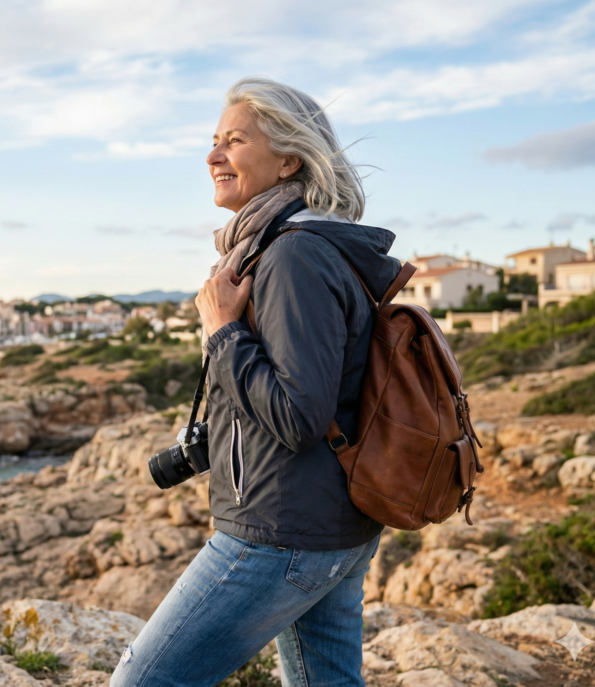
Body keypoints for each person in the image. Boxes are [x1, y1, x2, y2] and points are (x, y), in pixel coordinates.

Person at [110, 77, 403, 686]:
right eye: (214, 140)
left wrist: (221, 330)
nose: (213, 155)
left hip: (281, 530)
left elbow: (298, 416)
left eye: (234, 140)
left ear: (289, 158)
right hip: (330, 523)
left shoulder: (294, 255)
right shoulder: (300, 247)